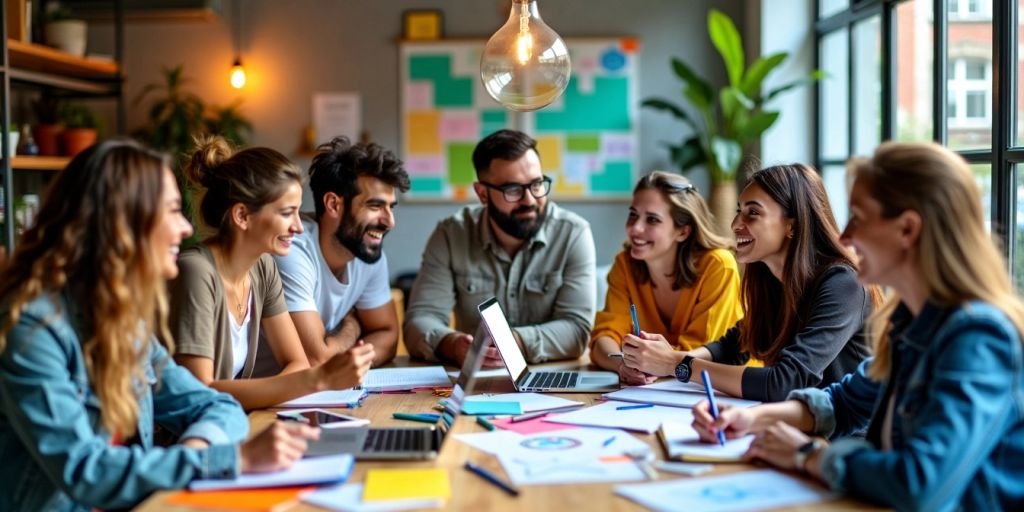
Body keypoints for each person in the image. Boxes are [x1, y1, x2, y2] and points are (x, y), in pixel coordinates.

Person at [693, 142, 1024, 510]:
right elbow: (845, 402)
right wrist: (750, 418)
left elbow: (919, 483)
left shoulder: (978, 337)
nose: (845, 235)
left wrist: (806, 456)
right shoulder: (909, 322)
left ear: (908, 230)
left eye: (859, 217)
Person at [0, 140, 320, 511]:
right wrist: (228, 460)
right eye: (171, 211)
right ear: (122, 224)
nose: (186, 227)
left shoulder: (123, 324)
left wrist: (196, 457)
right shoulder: (31, 330)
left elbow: (218, 407)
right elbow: (84, 471)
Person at [623, 164, 876, 401]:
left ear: (792, 225)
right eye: (738, 211)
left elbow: (785, 382)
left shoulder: (844, 283)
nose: (735, 225)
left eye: (752, 213)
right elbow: (733, 346)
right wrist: (663, 360)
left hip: (842, 439)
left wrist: (676, 364)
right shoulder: (774, 280)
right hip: (792, 427)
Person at [170, 137, 374, 410]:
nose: (299, 227)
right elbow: (200, 391)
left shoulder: (262, 267)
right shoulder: (196, 272)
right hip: (183, 439)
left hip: (231, 420)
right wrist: (319, 379)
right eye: (287, 213)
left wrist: (311, 378)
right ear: (242, 216)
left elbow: (297, 362)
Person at [404, 129, 596, 367]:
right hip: (476, 381)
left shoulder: (573, 234)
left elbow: (577, 330)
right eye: (513, 190)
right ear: (482, 194)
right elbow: (419, 321)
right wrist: (452, 345)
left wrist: (513, 341)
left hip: (550, 377)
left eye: (537, 184)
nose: (530, 200)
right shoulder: (451, 235)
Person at [261, 136, 410, 372]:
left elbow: (388, 336)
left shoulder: (366, 253)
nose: (389, 222)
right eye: (375, 206)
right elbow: (316, 361)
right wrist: (353, 325)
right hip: (264, 399)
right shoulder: (292, 250)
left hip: (316, 394)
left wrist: (346, 360)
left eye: (390, 207)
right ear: (333, 204)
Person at [590, 171, 743, 385]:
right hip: (653, 390)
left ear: (683, 231)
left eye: (652, 219)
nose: (635, 228)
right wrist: (623, 364)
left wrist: (653, 363)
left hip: (721, 391)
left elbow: (701, 352)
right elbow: (603, 339)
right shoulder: (625, 265)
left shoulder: (718, 266)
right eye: (633, 215)